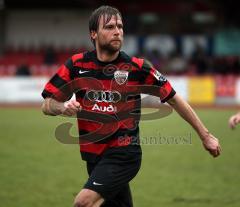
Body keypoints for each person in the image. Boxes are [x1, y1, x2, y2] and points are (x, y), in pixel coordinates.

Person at [41, 5, 221, 207]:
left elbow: (174, 98)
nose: (117, 31)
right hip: (93, 156)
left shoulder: (138, 67)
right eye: (109, 27)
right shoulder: (76, 65)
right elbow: (48, 104)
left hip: (124, 154)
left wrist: (205, 135)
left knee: (83, 203)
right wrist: (63, 106)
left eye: (120, 26)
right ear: (93, 34)